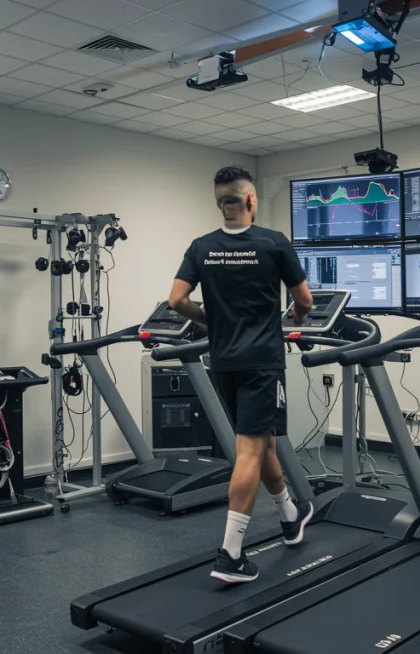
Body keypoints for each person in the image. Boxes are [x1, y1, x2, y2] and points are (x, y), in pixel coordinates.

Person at [169, 165, 315, 583]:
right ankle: (230, 554)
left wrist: (210, 321)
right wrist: (294, 320)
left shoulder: (202, 246)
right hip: (263, 361)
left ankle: (290, 516)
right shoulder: (273, 243)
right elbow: (303, 299)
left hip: (225, 361)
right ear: (251, 200)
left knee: (261, 441)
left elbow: (177, 300)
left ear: (221, 203)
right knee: (251, 451)